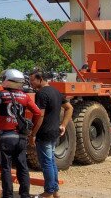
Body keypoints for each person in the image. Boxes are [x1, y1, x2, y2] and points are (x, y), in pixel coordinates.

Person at [0, 68, 42, 198]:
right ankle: (25, 194)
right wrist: (30, 127)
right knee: (22, 167)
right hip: (20, 137)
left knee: (5, 168)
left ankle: (8, 195)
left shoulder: (1, 94)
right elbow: (38, 112)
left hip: (5, 137)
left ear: (7, 80)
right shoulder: (25, 96)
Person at [29, 69, 73, 198]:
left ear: (40, 79)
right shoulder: (56, 91)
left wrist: (33, 134)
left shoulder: (41, 94)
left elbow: (40, 116)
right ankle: (55, 192)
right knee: (51, 162)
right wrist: (63, 125)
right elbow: (69, 108)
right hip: (54, 132)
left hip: (44, 133)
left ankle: (48, 192)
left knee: (47, 163)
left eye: (33, 80)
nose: (31, 83)